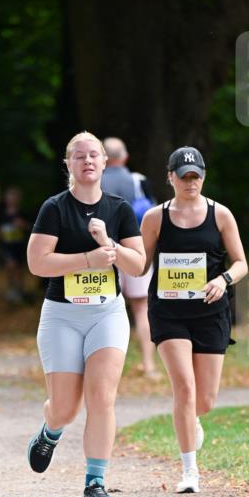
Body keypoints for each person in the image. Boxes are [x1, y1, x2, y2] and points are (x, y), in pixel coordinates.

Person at [26, 131, 145, 497]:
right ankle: (51, 430)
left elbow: (138, 264)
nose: (88, 161)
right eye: (79, 156)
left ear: (105, 163)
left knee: (102, 398)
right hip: (62, 314)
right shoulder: (55, 208)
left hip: (106, 313)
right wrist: (89, 258)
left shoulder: (119, 209)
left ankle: (95, 481)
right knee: (65, 407)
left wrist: (110, 244)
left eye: (94, 155)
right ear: (69, 164)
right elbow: (37, 263)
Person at [141, 147, 248, 493]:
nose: (191, 182)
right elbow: (140, 265)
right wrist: (106, 251)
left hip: (210, 312)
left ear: (203, 176)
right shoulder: (155, 218)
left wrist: (223, 280)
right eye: (184, 176)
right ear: (170, 177)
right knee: (184, 388)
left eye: (196, 176)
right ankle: (190, 471)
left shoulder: (221, 215)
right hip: (168, 313)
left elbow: (241, 263)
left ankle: (193, 419)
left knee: (204, 400)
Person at [101, 137, 159, 378]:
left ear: (103, 159)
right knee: (141, 308)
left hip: (101, 253)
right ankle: (149, 365)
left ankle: (103, 369)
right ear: (124, 157)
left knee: (101, 310)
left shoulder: (93, 182)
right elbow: (154, 212)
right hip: (135, 251)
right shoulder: (138, 181)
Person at [0, 186, 31, 304]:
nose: (11, 200)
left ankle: (19, 290)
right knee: (10, 265)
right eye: (9, 198)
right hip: (7, 245)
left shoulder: (22, 213)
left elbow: (30, 228)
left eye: (14, 197)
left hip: (19, 245)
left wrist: (23, 225)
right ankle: (11, 288)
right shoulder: (2, 215)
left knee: (19, 268)